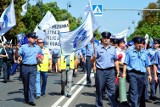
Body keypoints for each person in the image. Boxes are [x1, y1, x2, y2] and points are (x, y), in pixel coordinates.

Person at [91, 31, 120, 107]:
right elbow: (92, 60)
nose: (106, 39)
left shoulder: (113, 49)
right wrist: (93, 59)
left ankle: (113, 105)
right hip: (101, 71)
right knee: (99, 90)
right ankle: (99, 105)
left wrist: (117, 70)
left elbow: (116, 60)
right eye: (104, 38)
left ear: (109, 39)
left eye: (107, 38)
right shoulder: (97, 48)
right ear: (102, 38)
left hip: (111, 71)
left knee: (112, 90)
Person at [15, 32, 43, 106]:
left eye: (35, 38)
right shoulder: (23, 47)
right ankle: (26, 97)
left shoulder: (37, 48)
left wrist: (40, 59)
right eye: (33, 38)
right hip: (25, 67)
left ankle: (31, 100)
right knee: (26, 84)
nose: (34, 39)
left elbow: (41, 55)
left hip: (33, 67)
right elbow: (17, 55)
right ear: (29, 39)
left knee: (32, 84)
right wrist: (17, 50)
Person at [122, 36, 152, 107]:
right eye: (137, 43)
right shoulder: (129, 52)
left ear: (143, 44)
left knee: (139, 93)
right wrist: (124, 73)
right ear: (134, 44)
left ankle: (135, 104)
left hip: (142, 75)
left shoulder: (145, 53)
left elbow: (147, 65)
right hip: (132, 74)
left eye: (141, 43)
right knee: (133, 91)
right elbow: (125, 63)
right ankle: (134, 105)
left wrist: (149, 74)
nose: (139, 45)